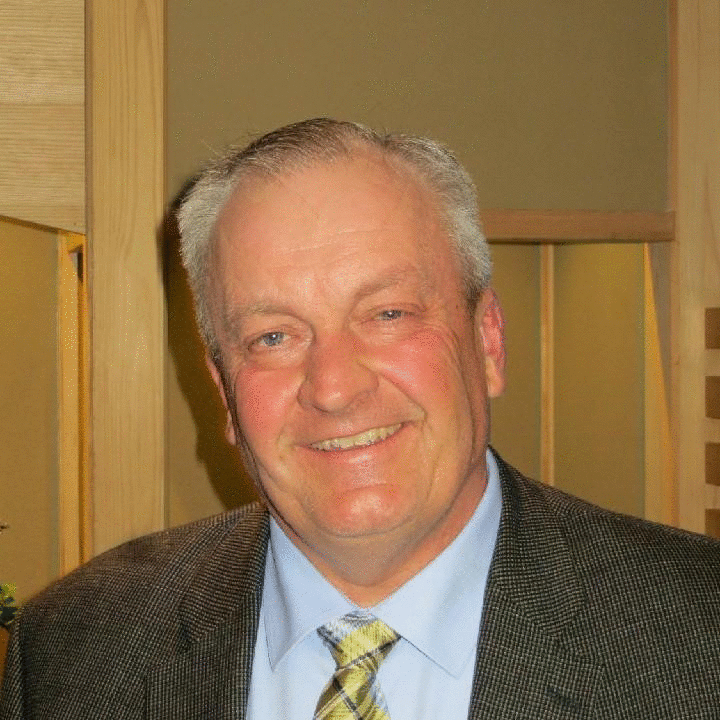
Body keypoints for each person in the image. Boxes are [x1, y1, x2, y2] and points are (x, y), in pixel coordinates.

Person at [2, 118, 719, 719]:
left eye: (388, 314)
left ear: (488, 342)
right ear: (223, 393)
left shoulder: (699, 638)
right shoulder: (76, 649)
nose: (335, 388)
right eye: (272, 337)